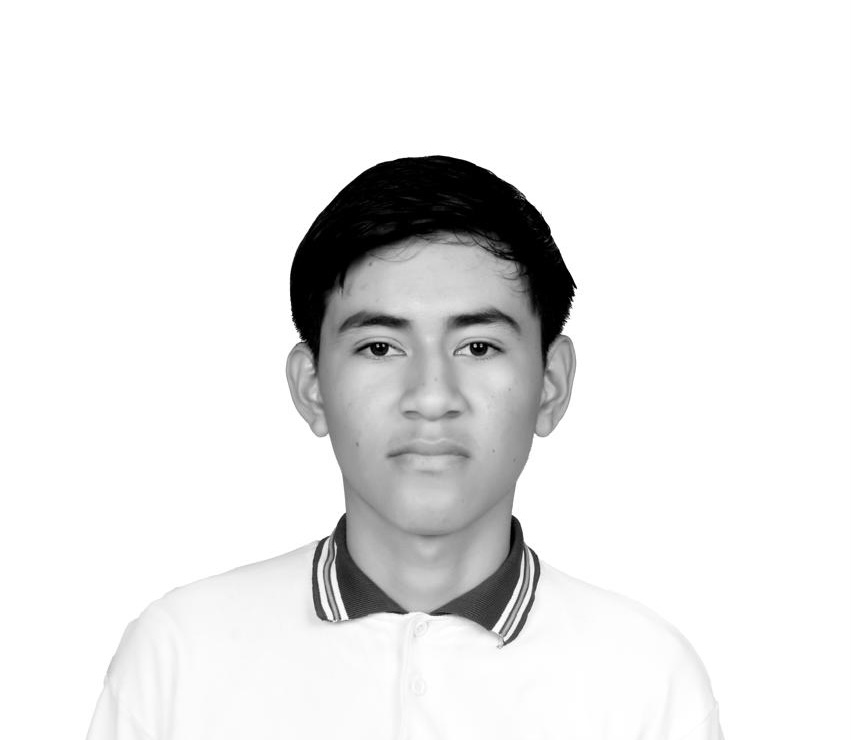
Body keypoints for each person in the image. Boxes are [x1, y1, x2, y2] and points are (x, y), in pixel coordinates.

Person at [86, 155, 724, 739]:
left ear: (551, 385)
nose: (431, 395)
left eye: (478, 346)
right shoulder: (180, 659)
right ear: (311, 387)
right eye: (380, 347)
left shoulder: (646, 683)